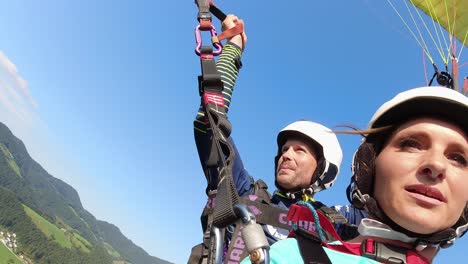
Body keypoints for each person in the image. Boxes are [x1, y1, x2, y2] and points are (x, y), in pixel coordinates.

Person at [245, 86, 468, 263]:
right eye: (411, 144)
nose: (437, 164)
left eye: (459, 158)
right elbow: (216, 133)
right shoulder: (284, 253)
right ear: (369, 168)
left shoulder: (335, 216)